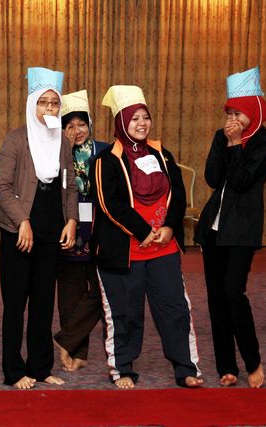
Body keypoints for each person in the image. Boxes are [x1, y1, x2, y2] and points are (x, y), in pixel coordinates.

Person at [90, 85, 202, 389]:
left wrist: (169, 227)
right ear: (121, 122)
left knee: (175, 309)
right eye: (134, 118)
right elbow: (109, 203)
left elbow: (177, 193)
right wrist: (143, 231)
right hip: (125, 250)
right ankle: (122, 369)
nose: (142, 124)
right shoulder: (105, 159)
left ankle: (186, 367)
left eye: (145, 117)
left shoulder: (161, 153)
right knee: (124, 313)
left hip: (163, 247)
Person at [194, 67, 266, 389]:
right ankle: (226, 366)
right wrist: (227, 142)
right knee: (216, 298)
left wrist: (236, 144)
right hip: (214, 229)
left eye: (238, 114)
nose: (232, 119)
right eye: (229, 113)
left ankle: (253, 361)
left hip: (242, 229)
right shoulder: (221, 136)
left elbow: (243, 181)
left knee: (233, 292)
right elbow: (213, 178)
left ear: (253, 113)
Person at [0, 67, 78, 390]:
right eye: (43, 103)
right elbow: (2, 188)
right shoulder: (16, 139)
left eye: (54, 104)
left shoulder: (63, 143)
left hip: (51, 231)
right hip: (19, 232)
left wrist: (71, 220)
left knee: (44, 303)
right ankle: (14, 371)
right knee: (16, 304)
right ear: (32, 104)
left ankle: (41, 367)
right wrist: (23, 222)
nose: (49, 109)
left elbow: (70, 186)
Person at [53, 90, 109, 372]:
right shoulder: (54, 154)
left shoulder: (106, 151)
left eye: (81, 124)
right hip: (68, 228)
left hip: (101, 230)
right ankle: (78, 353)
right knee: (70, 295)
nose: (76, 131)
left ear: (90, 124)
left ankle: (66, 339)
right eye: (70, 125)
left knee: (103, 291)